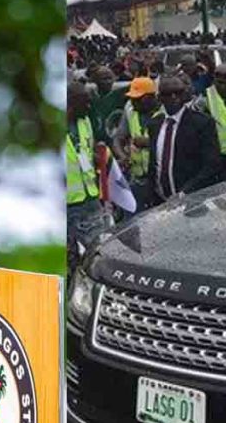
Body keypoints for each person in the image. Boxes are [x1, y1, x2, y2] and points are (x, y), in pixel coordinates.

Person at [146, 76, 221, 207]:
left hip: (192, 201)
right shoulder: (155, 124)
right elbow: (154, 163)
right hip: (160, 202)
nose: (174, 97)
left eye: (178, 92)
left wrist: (185, 192)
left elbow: (212, 164)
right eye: (168, 94)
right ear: (160, 98)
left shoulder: (201, 123)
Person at [67, 81, 104, 274]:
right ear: (70, 103)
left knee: (100, 252)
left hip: (89, 201)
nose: (89, 107)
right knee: (68, 261)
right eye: (85, 102)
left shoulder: (85, 121)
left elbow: (90, 149)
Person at [113, 77, 163, 213]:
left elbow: (176, 142)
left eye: (137, 99)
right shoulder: (130, 111)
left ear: (150, 98)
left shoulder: (165, 112)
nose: (132, 102)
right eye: (132, 98)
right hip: (138, 179)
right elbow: (118, 138)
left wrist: (148, 143)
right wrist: (122, 156)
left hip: (160, 178)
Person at [87, 66, 127, 144]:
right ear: (96, 81)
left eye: (110, 78)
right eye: (104, 79)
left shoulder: (119, 94)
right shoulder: (90, 97)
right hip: (95, 140)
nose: (108, 82)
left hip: (113, 140)